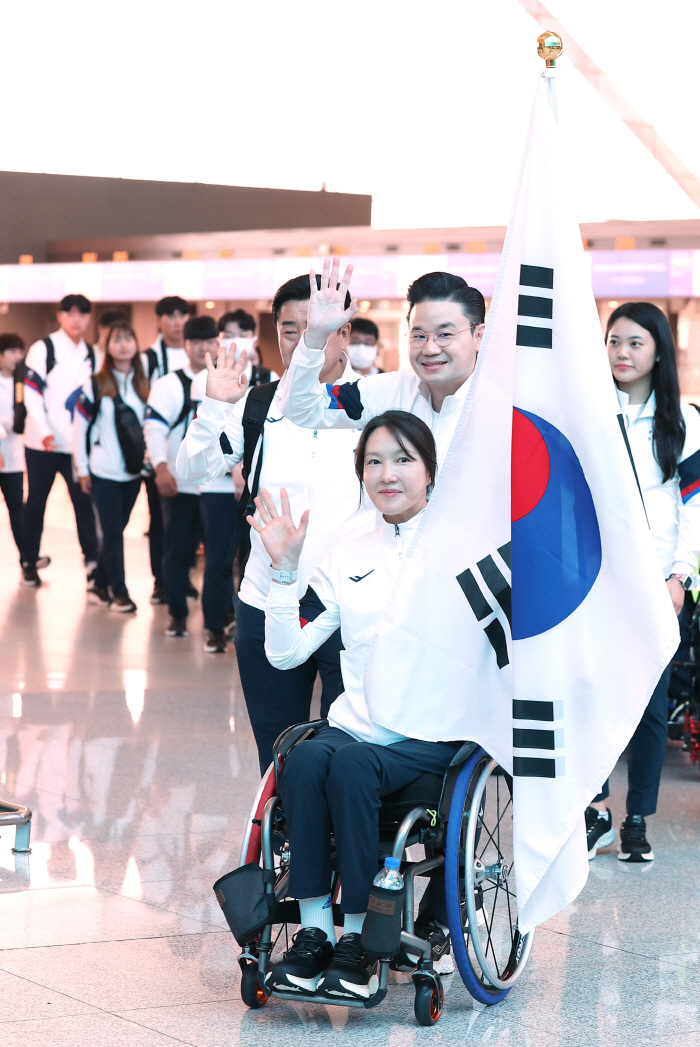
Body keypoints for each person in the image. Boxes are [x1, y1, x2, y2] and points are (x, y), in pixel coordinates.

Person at [254, 411, 460, 998]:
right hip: (359, 729)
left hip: (427, 736)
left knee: (347, 763)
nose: (387, 473)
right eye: (374, 461)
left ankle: (363, 943)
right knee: (307, 758)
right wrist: (285, 571)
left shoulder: (459, 555)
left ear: (431, 471)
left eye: (402, 459)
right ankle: (318, 933)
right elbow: (287, 654)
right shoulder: (347, 557)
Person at [176, 273, 374, 772]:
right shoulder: (258, 405)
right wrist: (215, 405)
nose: (302, 341)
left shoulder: (376, 404)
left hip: (349, 606)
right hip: (266, 600)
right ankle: (282, 847)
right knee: (277, 751)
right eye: (291, 329)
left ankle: (339, 846)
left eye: (319, 327)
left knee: (351, 750)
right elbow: (192, 469)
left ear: (345, 332)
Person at [585, 302, 700, 863]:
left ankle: (637, 819)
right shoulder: (589, 413)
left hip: (658, 586)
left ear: (657, 349)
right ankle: (596, 811)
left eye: (635, 343)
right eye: (614, 342)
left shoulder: (684, 420)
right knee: (592, 699)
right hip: (593, 584)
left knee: (651, 709)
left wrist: (683, 576)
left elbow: (695, 508)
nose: (622, 354)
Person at [279, 258, 485, 468]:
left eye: (445, 334)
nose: (430, 349)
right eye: (419, 335)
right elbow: (302, 408)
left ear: (478, 336)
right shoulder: (390, 392)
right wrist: (315, 336)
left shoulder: (504, 407)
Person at [20, 294, 99, 588]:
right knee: (36, 502)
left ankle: (92, 565)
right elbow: (31, 392)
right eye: (70, 313)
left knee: (84, 504)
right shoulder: (44, 348)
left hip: (77, 447)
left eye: (82, 314)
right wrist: (44, 430)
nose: (76, 319)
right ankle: (29, 561)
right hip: (43, 444)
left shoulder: (93, 353)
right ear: (60, 315)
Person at [144, 314, 214, 637]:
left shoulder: (231, 380)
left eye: (210, 340)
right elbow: (154, 428)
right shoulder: (169, 384)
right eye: (197, 340)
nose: (204, 347)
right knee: (177, 550)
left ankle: (219, 619)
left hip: (219, 486)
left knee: (219, 555)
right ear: (185, 345)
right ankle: (177, 613)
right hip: (180, 484)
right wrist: (160, 466)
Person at [72, 321, 149, 612]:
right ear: (108, 347)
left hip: (132, 473)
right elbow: (79, 428)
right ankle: (120, 592)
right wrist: (81, 468)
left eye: (128, 339)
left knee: (118, 529)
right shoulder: (94, 383)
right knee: (114, 533)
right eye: (117, 340)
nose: (123, 345)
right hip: (102, 471)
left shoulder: (144, 384)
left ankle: (99, 581)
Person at [142, 296, 192, 606]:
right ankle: (161, 581)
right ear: (159, 320)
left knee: (185, 527)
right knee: (159, 522)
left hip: (191, 456)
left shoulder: (201, 352)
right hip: (158, 454)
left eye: (182, 315)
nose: (177, 321)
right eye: (170, 316)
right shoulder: (148, 358)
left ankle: (180, 578)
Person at [0, 334, 28, 561]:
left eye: (20, 351)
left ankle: (28, 558)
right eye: (12, 351)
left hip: (14, 456)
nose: (17, 357)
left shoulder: (22, 382)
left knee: (18, 510)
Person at [218, 308, 278, 386]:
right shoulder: (207, 376)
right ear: (218, 341)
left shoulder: (269, 378)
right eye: (229, 336)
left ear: (255, 341)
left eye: (242, 336)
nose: (236, 341)